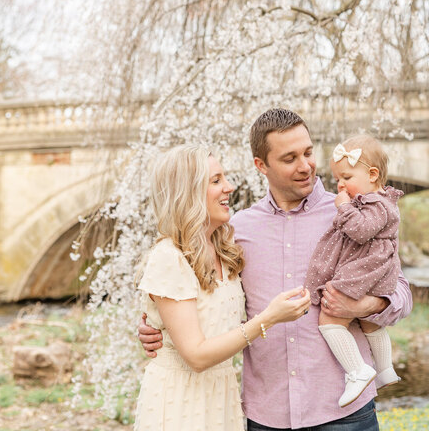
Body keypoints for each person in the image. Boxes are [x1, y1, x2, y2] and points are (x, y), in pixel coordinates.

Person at [139, 109, 413, 430]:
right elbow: (206, 296)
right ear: (261, 165)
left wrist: (366, 306)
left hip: (343, 413)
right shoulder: (236, 231)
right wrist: (160, 329)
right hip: (265, 416)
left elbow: (400, 292)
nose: (305, 166)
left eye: (308, 153)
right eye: (289, 158)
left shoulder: (354, 214)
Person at [134, 144, 311, 431]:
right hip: (179, 401)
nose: (228, 187)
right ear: (187, 192)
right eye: (216, 180)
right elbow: (196, 356)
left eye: (224, 178)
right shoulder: (170, 257)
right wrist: (269, 318)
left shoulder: (227, 250)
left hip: (220, 397)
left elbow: (217, 323)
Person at [304, 135, 403, 407]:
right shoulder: (381, 202)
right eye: (337, 179)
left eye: (346, 177)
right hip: (375, 272)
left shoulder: (376, 204)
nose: (340, 185)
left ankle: (357, 370)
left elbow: (360, 231)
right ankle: (384, 369)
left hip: (364, 270)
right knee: (371, 321)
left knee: (330, 319)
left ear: (372, 175)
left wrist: (344, 207)